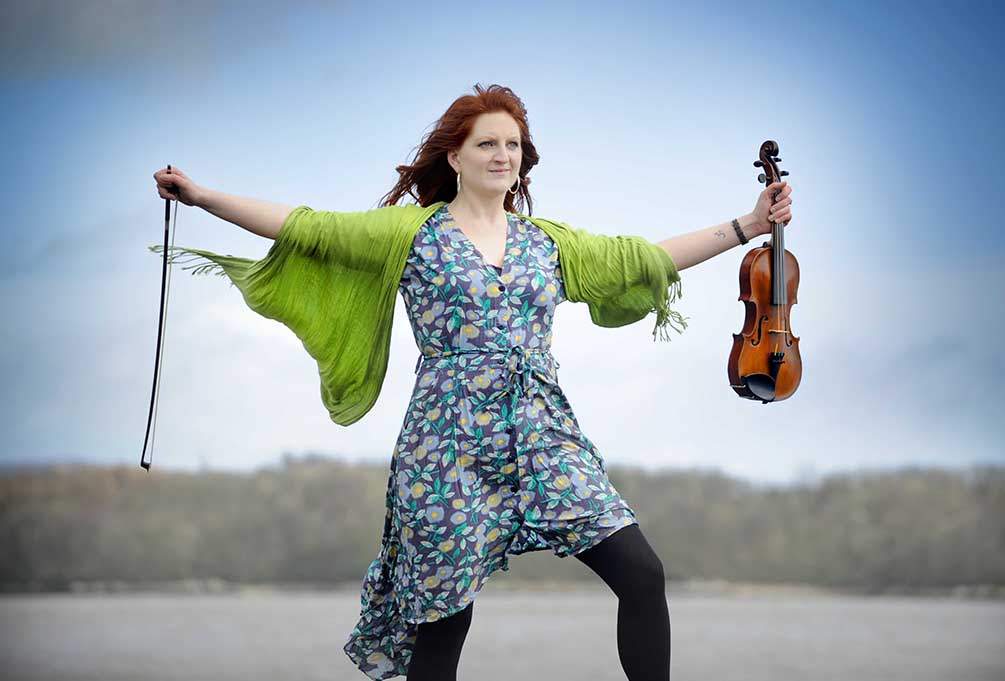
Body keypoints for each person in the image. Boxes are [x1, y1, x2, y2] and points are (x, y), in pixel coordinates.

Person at [152, 83, 793, 681]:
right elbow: (305, 226)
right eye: (487, 143)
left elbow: (644, 258)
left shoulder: (548, 243)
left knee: (642, 572)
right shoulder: (410, 235)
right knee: (443, 623)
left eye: (512, 145)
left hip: (544, 437)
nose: (502, 155)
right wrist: (204, 196)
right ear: (455, 156)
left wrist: (748, 225)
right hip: (445, 446)